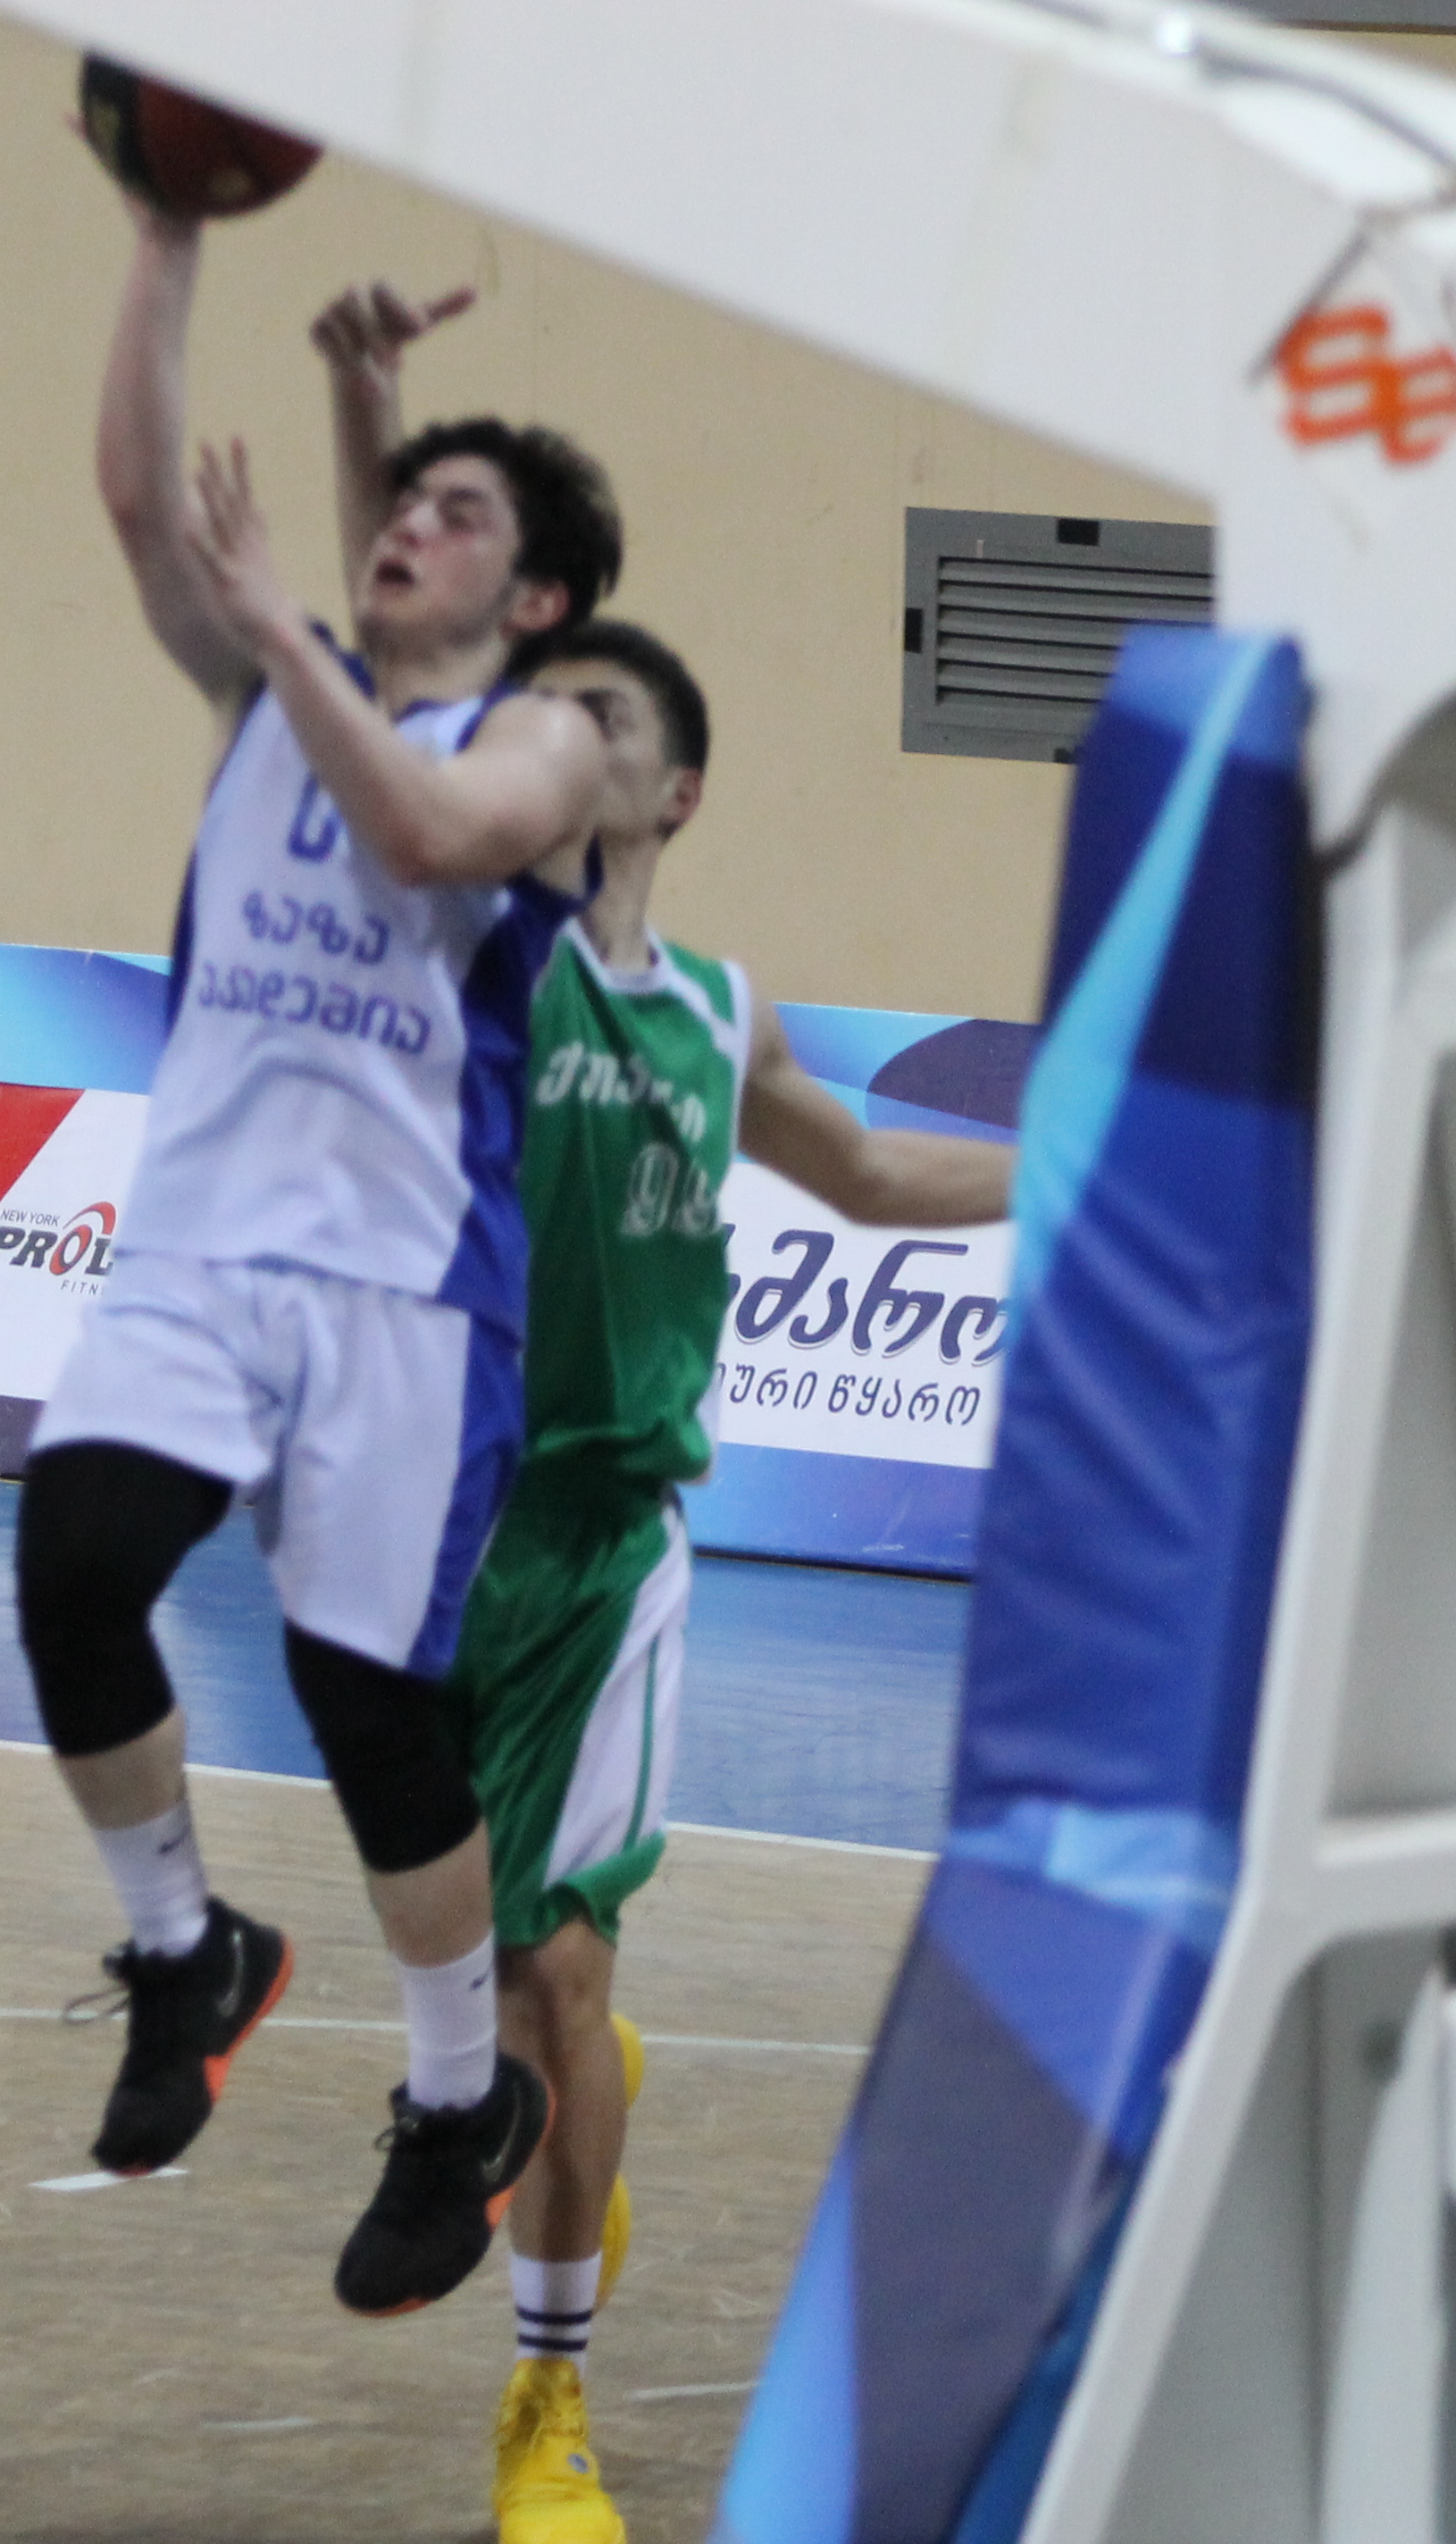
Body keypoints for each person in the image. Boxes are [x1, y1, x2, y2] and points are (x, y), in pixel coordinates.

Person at [16, 179, 618, 2324]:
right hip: (199, 1245)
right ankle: (186, 1945)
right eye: (405, 501)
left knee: (372, 1710)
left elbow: (430, 827)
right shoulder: (286, 682)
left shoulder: (549, 739)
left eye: (458, 516)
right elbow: (132, 495)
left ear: (536, 595)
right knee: (74, 1562)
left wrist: (285, 618)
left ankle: (461, 2096)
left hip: (404, 1292)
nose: (409, 528)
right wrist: (167, 223)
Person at [459, 607, 1017, 2542]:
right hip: (440, 1526)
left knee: (558, 1968)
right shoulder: (475, 966)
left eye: (597, 718)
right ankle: (572, 2087)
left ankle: (547, 2408)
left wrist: (1082, 1162)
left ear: (675, 789)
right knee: (498, 1999)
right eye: (536, 715)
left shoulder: (717, 1014)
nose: (557, 740)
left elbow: (866, 1177)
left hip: (608, 1539)